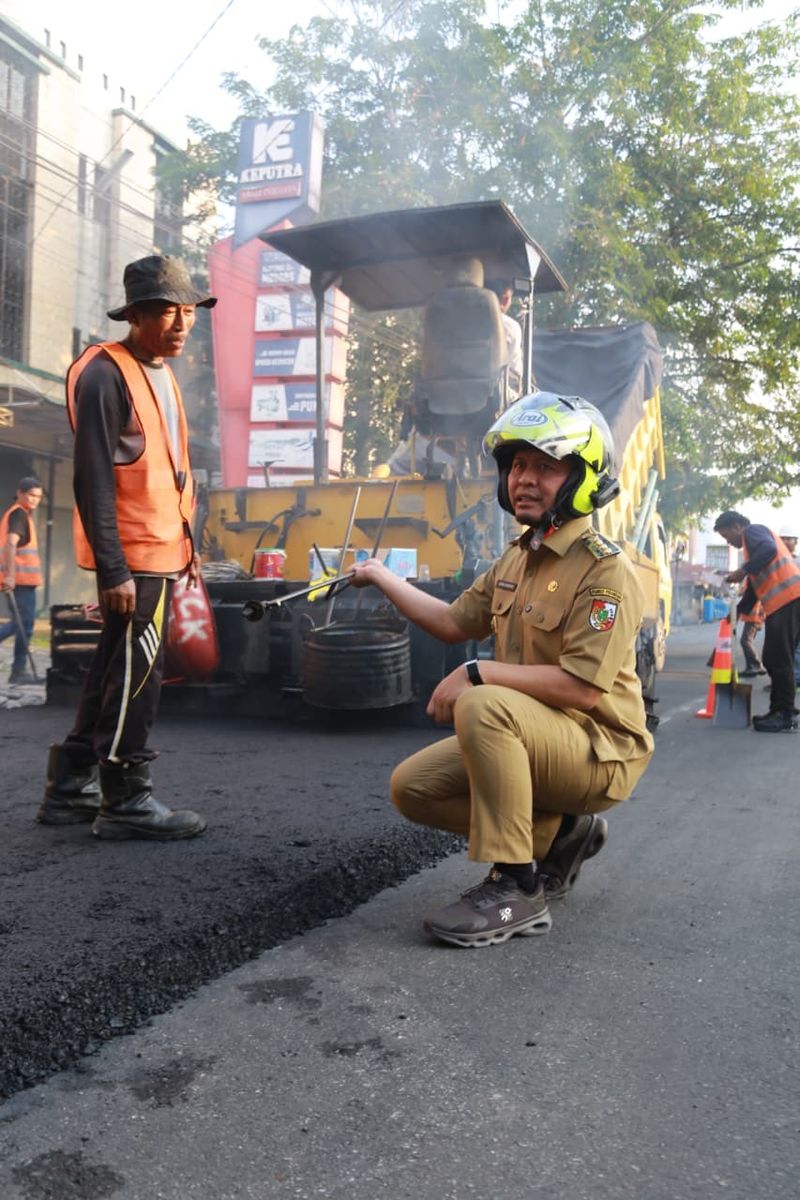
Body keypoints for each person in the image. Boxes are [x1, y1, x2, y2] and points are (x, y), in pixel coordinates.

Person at [349, 391, 654, 948]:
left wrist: (476, 673)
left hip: (598, 749)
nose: (524, 479)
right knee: (412, 788)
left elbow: (583, 690)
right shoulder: (517, 557)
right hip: (540, 736)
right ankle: (561, 833)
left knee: (483, 703)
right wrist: (380, 576)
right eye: (517, 465)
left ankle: (517, 886)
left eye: (544, 466)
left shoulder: (606, 571)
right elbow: (451, 621)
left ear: (583, 476)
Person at [37, 255, 216, 839]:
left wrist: (188, 547)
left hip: (160, 552)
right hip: (134, 559)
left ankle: (69, 787)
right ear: (135, 315)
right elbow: (91, 479)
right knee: (139, 675)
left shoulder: (158, 371)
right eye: (168, 311)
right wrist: (113, 568)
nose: (182, 324)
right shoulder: (103, 374)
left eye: (188, 312)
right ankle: (126, 799)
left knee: (116, 665)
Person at [713, 511, 800, 732]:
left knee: (780, 658)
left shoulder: (754, 532)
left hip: (788, 599)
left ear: (737, 527)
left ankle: (785, 714)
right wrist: (735, 615)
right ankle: (779, 709)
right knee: (774, 657)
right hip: (784, 603)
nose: (729, 543)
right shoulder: (753, 550)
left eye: (726, 537)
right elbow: (753, 590)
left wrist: (742, 571)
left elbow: (769, 550)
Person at [0, 476, 44, 684]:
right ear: (20, 493)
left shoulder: (20, 514)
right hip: (19, 581)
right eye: (31, 495)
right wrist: (10, 575)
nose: (35, 500)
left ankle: (18, 671)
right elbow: (10, 544)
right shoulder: (19, 514)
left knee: (22, 624)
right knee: (22, 625)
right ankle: (18, 671)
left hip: (21, 580)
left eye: (38, 497)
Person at [486, 278, 524, 393]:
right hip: (496, 396)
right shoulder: (510, 326)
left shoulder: (456, 321)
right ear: (505, 300)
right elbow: (513, 371)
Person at [738, 600, 767, 678]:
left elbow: (748, 598)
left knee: (745, 641)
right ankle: (751, 668)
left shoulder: (752, 587)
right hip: (753, 617)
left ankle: (757, 665)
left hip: (753, 618)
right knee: (747, 641)